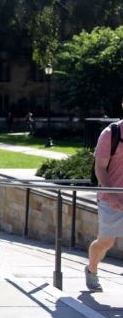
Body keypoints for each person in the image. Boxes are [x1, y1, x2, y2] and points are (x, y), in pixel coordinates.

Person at [86, 118, 123, 293]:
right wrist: (112, 195)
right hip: (111, 199)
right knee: (105, 242)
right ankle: (91, 270)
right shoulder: (111, 134)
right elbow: (100, 168)